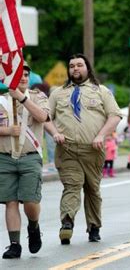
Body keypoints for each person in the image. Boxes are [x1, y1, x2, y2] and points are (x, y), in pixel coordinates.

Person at [48, 54, 122, 244]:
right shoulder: (58, 93)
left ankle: (94, 227)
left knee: (92, 189)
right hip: (67, 149)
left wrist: (101, 135)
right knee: (72, 185)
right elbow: (45, 117)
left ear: (87, 68)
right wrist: (55, 133)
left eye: (79, 65)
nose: (75, 69)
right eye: (71, 66)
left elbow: (114, 116)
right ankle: (67, 223)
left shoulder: (101, 91)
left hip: (93, 149)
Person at [0, 63, 50, 259]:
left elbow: (43, 117)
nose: (23, 77)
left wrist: (21, 97)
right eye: (19, 74)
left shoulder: (38, 97)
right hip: (4, 157)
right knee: (10, 202)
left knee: (30, 201)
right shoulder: (1, 99)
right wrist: (6, 131)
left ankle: (34, 225)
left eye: (26, 74)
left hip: (30, 157)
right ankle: (14, 244)